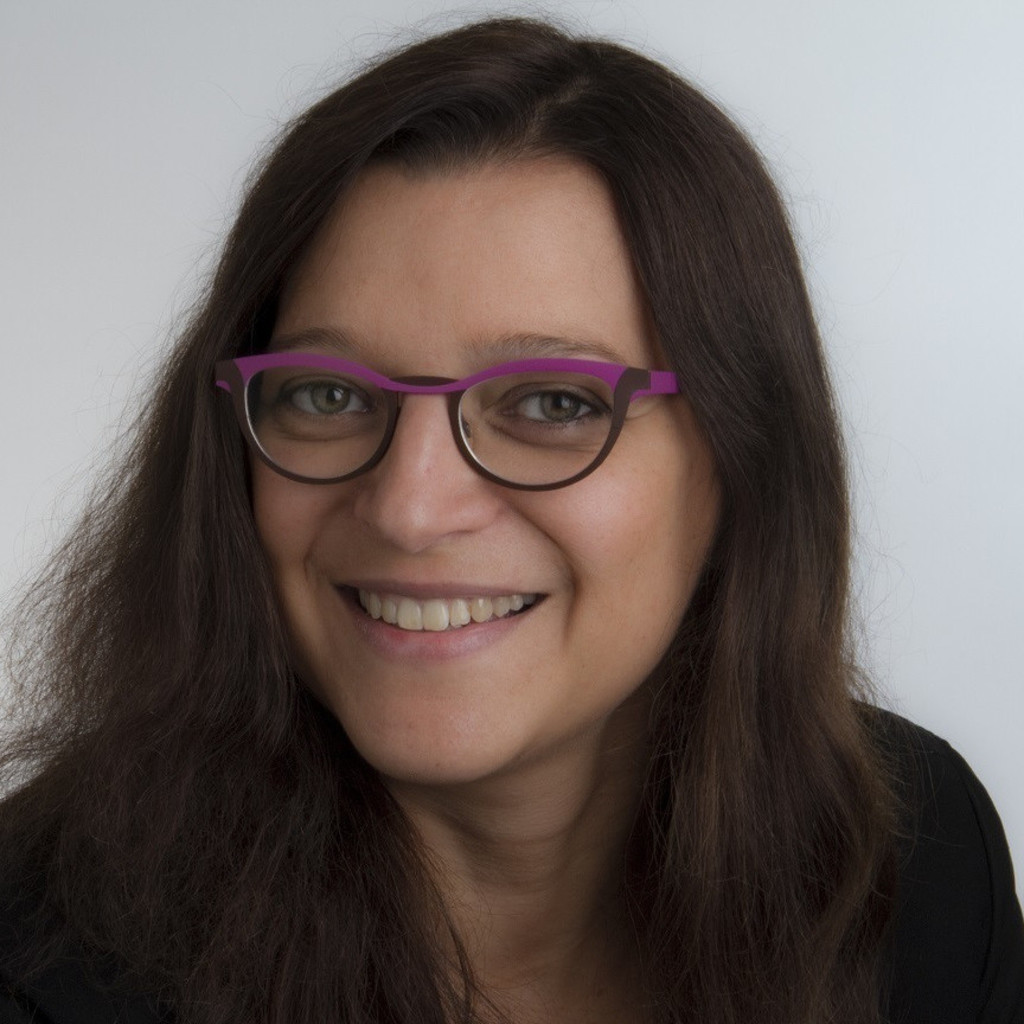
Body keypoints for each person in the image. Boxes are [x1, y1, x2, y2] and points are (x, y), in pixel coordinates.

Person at [0, 16, 1020, 1024]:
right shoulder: (36, 963)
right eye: (327, 394)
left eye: (552, 404)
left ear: (740, 457)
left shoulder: (919, 865)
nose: (409, 508)